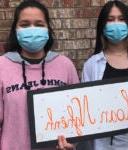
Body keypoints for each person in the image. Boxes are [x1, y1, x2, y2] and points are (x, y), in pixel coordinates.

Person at [0, 1, 79, 150]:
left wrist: (72, 144)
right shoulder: (2, 66)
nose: (32, 29)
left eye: (39, 24)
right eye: (24, 24)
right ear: (15, 30)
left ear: (48, 29)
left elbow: (77, 118)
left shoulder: (65, 65)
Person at [82, 1, 128, 150]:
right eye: (110, 19)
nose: (116, 24)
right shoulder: (91, 65)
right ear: (102, 26)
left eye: (121, 19)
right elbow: (85, 112)